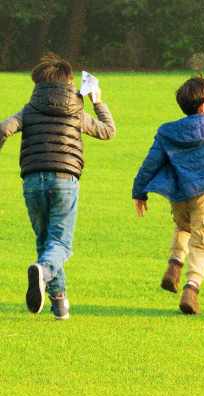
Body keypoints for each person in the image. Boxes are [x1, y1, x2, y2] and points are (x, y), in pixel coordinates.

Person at [0, 53, 116, 320]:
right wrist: (97, 101)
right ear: (69, 83)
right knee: (60, 243)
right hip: (65, 180)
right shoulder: (77, 112)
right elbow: (108, 131)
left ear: (38, 84)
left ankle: (59, 303)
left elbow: (4, 128)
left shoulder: (29, 110)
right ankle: (44, 273)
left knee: (45, 242)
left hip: (32, 180)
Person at [132, 76, 204, 315]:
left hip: (179, 194)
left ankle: (174, 265)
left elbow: (150, 163)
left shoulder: (167, 131)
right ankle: (191, 289)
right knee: (203, 240)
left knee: (183, 227)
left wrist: (139, 191)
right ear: (203, 106)